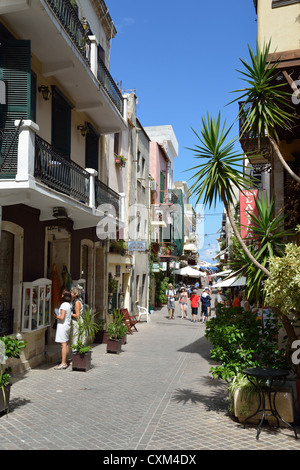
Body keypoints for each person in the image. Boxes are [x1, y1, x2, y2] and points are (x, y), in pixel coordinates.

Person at [54, 290, 72, 370]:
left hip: (62, 326)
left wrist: (55, 315)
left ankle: (63, 363)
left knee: (63, 344)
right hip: (67, 325)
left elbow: (61, 317)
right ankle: (65, 360)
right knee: (65, 343)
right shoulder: (69, 304)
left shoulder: (63, 305)